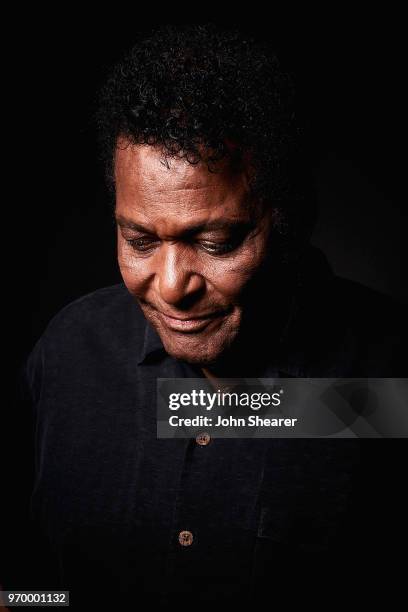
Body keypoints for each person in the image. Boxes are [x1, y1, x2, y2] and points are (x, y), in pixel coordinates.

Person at [2, 24, 406, 608]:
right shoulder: (69, 352)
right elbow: (24, 581)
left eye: (216, 243)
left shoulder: (387, 376)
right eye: (139, 240)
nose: (171, 287)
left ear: (287, 219)